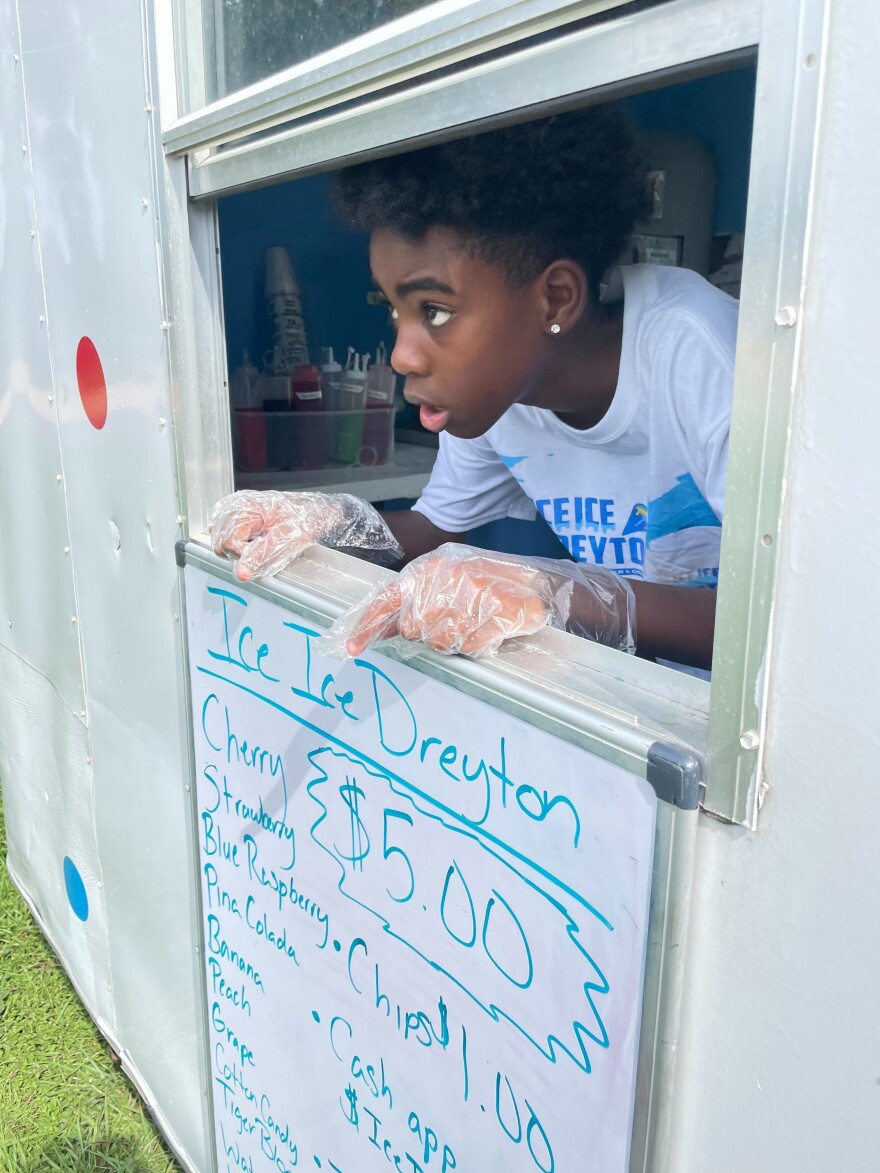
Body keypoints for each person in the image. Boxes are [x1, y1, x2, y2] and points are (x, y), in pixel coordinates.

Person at [212, 105, 737, 670]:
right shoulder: (500, 388)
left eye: (435, 311)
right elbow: (435, 526)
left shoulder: (698, 352)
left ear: (555, 298)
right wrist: (329, 523)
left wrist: (551, 593)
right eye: (395, 311)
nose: (402, 355)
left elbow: (784, 621)